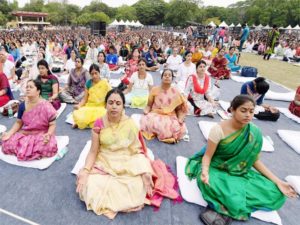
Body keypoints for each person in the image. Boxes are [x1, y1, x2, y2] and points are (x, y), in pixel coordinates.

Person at [185, 95, 297, 224]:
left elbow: (255, 161)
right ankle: (224, 204)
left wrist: (278, 182)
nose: (248, 115)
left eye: (251, 111)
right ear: (232, 110)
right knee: (210, 184)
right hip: (217, 169)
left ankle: (227, 203)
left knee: (276, 193)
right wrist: (204, 171)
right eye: (243, 110)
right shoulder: (218, 130)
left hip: (240, 172)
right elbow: (208, 156)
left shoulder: (254, 132)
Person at [76, 88, 180, 219]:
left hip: (126, 158)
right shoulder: (98, 124)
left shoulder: (130, 123)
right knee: (89, 186)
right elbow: (93, 151)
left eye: (118, 103)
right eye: (111, 102)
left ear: (123, 106)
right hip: (105, 159)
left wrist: (144, 170)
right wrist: (85, 170)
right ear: (106, 104)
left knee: (138, 185)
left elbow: (137, 150)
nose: (114, 106)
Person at [1, 79, 58, 161]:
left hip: (42, 134)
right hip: (26, 133)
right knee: (7, 143)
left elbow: (52, 124)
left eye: (31, 87)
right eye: (27, 87)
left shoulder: (46, 105)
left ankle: (25, 150)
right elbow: (18, 122)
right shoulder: (22, 105)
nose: (27, 89)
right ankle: (28, 150)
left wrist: (48, 135)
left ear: (38, 91)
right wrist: (9, 133)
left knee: (49, 146)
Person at [140, 69, 187, 143]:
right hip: (156, 114)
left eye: (169, 75)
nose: (167, 77)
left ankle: (163, 132)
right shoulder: (154, 89)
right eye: (165, 75)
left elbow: (179, 109)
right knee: (145, 120)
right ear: (161, 78)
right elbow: (149, 105)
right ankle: (162, 132)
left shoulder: (176, 91)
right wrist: (146, 110)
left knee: (176, 126)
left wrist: (180, 118)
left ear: (172, 79)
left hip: (170, 115)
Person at [72, 64, 111, 129]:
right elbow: (85, 99)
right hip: (89, 106)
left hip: (101, 107)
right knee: (79, 113)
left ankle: (81, 123)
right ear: (90, 74)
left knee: (104, 115)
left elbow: (110, 96)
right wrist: (79, 106)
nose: (94, 76)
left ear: (99, 73)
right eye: (92, 74)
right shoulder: (88, 83)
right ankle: (80, 123)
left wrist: (107, 107)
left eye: (96, 73)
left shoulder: (105, 83)